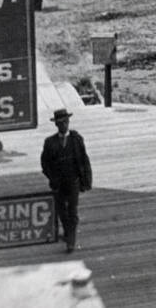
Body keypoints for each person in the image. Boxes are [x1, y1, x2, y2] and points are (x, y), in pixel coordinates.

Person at [40, 109, 92, 254]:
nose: (63, 125)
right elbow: (45, 163)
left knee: (72, 211)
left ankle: (71, 241)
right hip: (58, 182)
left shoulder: (76, 139)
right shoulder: (50, 142)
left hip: (73, 180)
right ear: (56, 125)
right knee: (61, 211)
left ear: (68, 122)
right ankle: (68, 232)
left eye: (65, 122)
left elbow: (84, 160)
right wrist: (52, 177)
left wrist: (86, 180)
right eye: (59, 123)